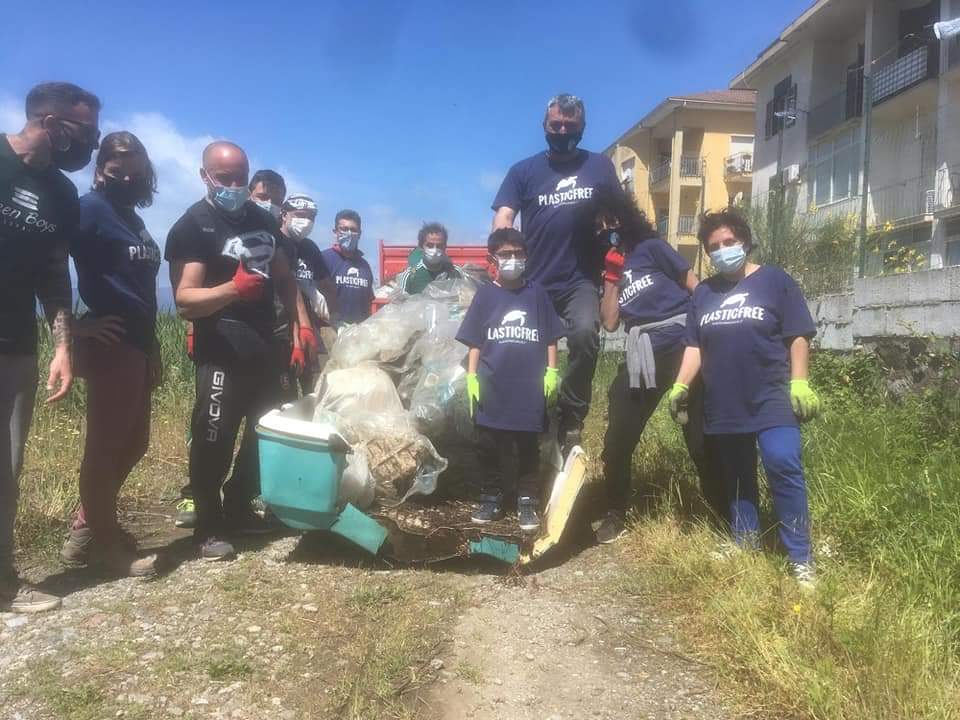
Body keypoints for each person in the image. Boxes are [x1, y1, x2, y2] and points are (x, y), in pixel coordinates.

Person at [165, 141, 311, 561]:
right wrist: (233, 289)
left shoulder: (263, 219)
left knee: (265, 433)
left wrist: (300, 329)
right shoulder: (192, 225)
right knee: (215, 436)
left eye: (239, 178)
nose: (233, 186)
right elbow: (184, 300)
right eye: (223, 178)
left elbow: (285, 278)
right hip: (221, 348)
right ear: (205, 176)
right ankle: (208, 527)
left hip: (267, 343)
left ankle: (240, 504)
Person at [669, 209, 822, 585]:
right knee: (737, 475)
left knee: (782, 463)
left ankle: (800, 556)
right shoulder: (704, 293)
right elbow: (695, 346)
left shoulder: (775, 281)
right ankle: (746, 541)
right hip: (724, 400)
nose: (722, 251)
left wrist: (800, 382)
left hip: (770, 395)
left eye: (729, 243)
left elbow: (798, 334)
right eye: (714, 247)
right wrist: (681, 384)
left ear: (745, 241)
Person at [0, 82, 99, 613]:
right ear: (52, 123)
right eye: (86, 132)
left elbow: (53, 274)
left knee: (5, 469)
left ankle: (2, 582)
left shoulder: (61, 194)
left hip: (15, 345)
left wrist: (62, 347)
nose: (92, 143)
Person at [492, 94, 623, 454]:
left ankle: (572, 415)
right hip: (534, 279)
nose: (562, 131)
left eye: (570, 126)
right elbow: (504, 216)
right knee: (521, 348)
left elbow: (619, 214)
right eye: (556, 126)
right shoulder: (523, 172)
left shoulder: (599, 167)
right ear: (545, 127)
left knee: (584, 335)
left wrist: (616, 233)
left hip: (579, 278)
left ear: (582, 128)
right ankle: (529, 415)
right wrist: (501, 254)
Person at [593, 192, 724, 544]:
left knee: (699, 437)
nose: (607, 229)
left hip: (682, 344)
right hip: (641, 354)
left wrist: (705, 337)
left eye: (612, 221)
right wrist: (611, 277)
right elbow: (608, 323)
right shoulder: (608, 270)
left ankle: (720, 513)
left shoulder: (652, 248)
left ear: (627, 218)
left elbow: (695, 287)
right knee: (618, 436)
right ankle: (616, 511)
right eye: (599, 226)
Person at [58, 132, 161, 577]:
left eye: (135, 171)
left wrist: (154, 346)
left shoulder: (130, 216)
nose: (127, 178)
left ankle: (87, 524)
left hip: (139, 343)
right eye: (118, 171)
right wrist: (75, 325)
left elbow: (140, 289)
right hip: (111, 345)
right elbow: (46, 266)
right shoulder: (89, 209)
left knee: (135, 443)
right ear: (101, 170)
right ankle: (106, 546)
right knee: (104, 449)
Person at [456, 228, 565, 532]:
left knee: (528, 446)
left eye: (518, 253)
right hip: (492, 383)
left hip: (529, 387)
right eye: (506, 254)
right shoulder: (486, 295)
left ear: (526, 256)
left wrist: (552, 371)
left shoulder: (538, 294)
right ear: (493, 258)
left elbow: (551, 337)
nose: (513, 259)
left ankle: (527, 500)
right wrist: (472, 376)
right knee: (487, 443)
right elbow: (475, 339)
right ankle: (490, 496)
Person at [277, 192, 337, 397]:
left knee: (317, 389)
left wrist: (325, 303)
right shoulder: (275, 243)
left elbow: (326, 282)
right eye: (301, 214)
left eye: (311, 217)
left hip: (309, 331)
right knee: (285, 397)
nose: (307, 221)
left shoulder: (309, 248)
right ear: (284, 214)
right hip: (282, 332)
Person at [319, 209, 375, 328]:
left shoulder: (365, 266)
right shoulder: (323, 259)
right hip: (330, 331)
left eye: (353, 230)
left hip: (358, 333)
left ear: (359, 234)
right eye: (344, 229)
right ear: (335, 232)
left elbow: (368, 302)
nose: (349, 233)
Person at [395, 222, 464, 294]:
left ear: (445, 247)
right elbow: (399, 302)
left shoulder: (455, 273)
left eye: (439, 246)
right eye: (430, 245)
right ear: (421, 247)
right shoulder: (410, 275)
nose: (435, 249)